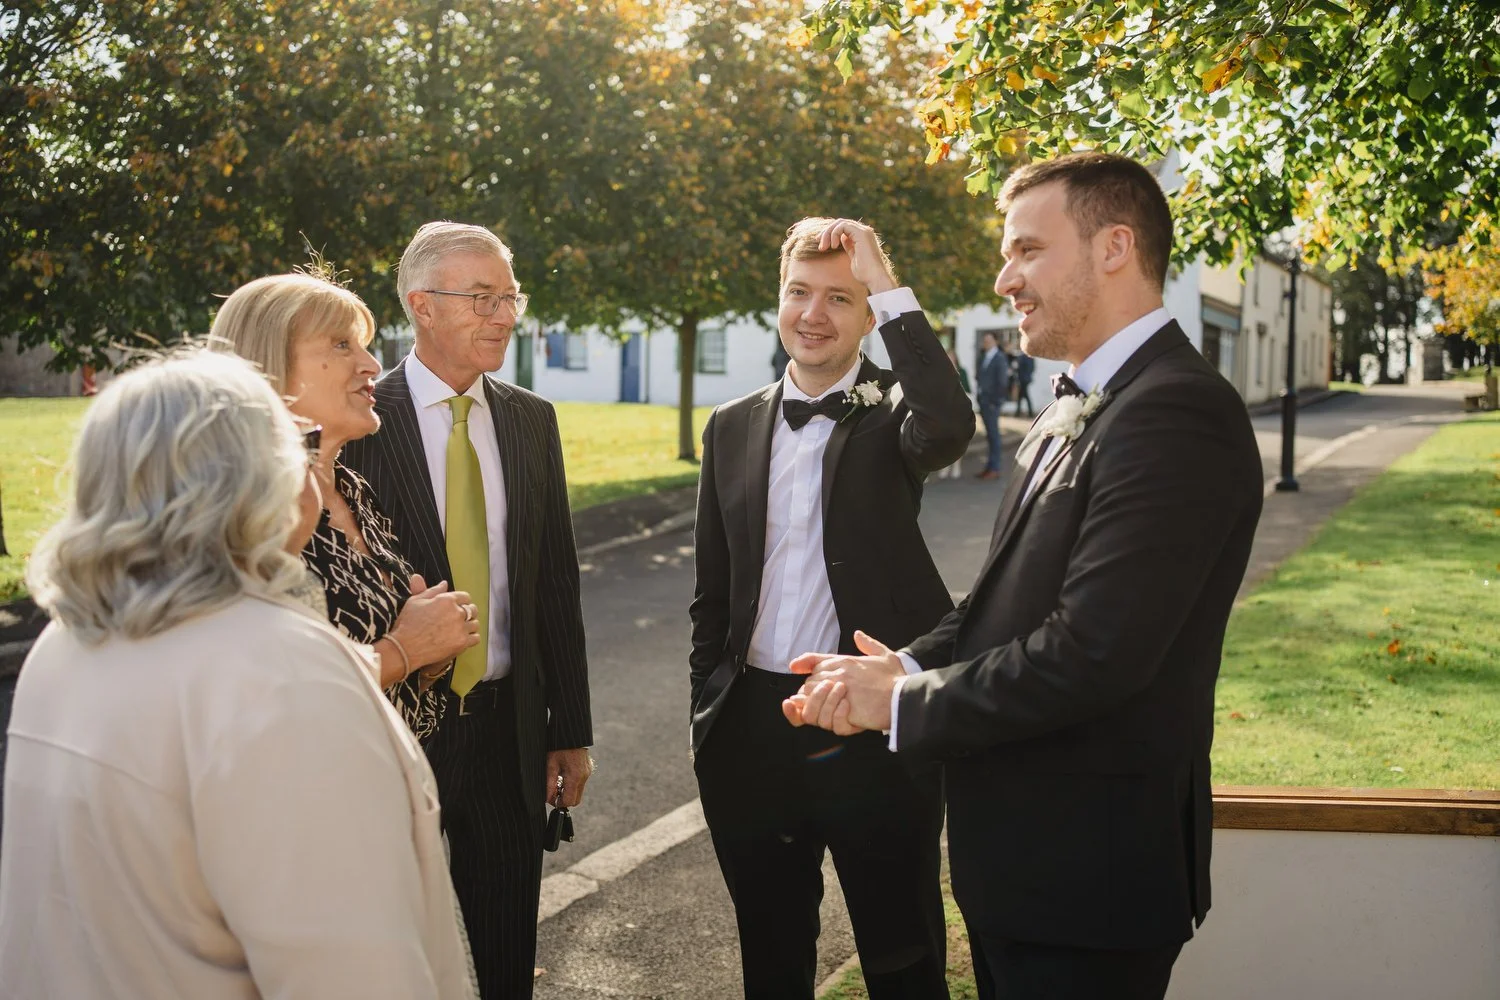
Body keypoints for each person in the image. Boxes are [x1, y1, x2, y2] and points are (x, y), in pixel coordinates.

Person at [782, 153, 1264, 1000]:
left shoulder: (1177, 412)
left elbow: (1093, 655)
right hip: (1023, 875)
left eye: (1027, 251)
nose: (1005, 278)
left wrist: (896, 705)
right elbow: (1004, 600)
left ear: (1115, 247)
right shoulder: (1069, 405)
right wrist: (907, 663)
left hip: (1093, 882)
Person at [0, 350, 475, 999]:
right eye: (300, 442)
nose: (312, 463)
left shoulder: (66, 646)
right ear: (257, 480)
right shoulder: (284, 674)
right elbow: (353, 969)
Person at [690, 217, 974, 1000]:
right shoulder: (730, 426)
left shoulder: (896, 419)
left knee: (904, 955)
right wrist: (706, 720)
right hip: (751, 729)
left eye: (840, 299)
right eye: (799, 293)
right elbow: (712, 592)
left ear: (866, 316)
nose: (813, 314)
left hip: (868, 720)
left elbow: (953, 425)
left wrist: (887, 283)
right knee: (772, 958)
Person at [342, 221, 593, 1000]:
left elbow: (554, 581)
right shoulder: (355, 418)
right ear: (421, 305)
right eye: (481, 298)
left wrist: (569, 731)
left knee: (506, 949)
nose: (504, 315)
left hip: (508, 724)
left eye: (509, 296)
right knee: (393, 952)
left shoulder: (530, 419)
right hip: (395, 731)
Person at [211, 272, 479, 743]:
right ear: (266, 366)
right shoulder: (236, 513)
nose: (372, 365)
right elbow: (249, 696)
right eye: (340, 345)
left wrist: (430, 656)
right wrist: (404, 650)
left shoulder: (354, 489)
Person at [974, 330, 1009, 479]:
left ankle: (994, 468)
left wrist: (995, 402)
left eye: (989, 340)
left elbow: (1002, 382)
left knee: (994, 435)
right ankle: (989, 466)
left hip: (992, 403)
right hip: (983, 401)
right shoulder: (983, 357)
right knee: (989, 435)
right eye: (985, 340)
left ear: (996, 342)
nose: (986, 343)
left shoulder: (999, 358)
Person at [937, 345, 972, 479]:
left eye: (952, 357)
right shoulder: (940, 371)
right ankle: (945, 465)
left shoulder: (962, 372)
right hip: (943, 410)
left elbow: (968, 390)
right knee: (945, 439)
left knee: (957, 439)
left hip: (958, 410)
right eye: (947, 357)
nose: (950, 359)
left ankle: (957, 465)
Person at [1012, 349, 1036, 417]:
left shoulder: (1022, 357)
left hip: (1023, 379)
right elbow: (1033, 368)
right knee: (1022, 396)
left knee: (1024, 396)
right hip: (1027, 379)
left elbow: (1018, 367)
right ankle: (1019, 412)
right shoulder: (1031, 357)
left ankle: (1025, 412)